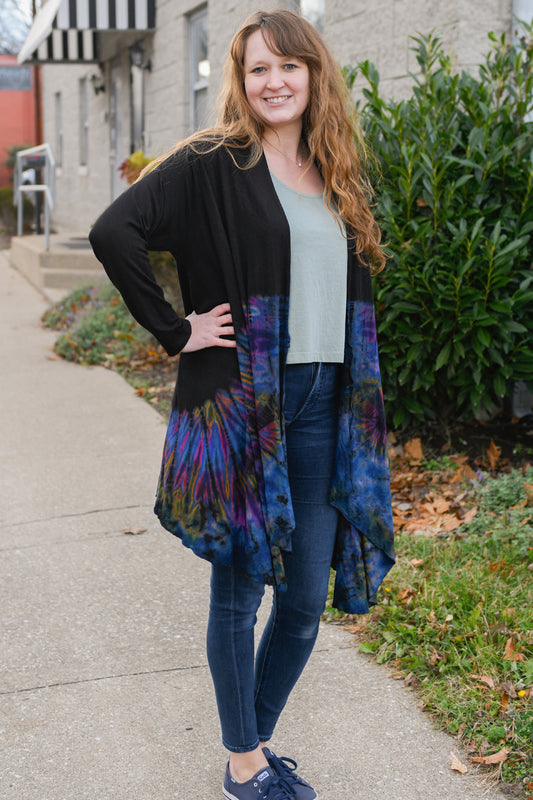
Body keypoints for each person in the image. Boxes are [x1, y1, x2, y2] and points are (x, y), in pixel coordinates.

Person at [89, 9, 395, 799]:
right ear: (241, 80)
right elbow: (114, 230)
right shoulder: (210, 161)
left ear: (313, 74)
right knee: (240, 583)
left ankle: (247, 743)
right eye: (258, 68)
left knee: (300, 601)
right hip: (244, 398)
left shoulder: (333, 169)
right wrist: (173, 327)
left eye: (289, 66)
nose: (274, 81)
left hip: (329, 397)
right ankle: (245, 763)